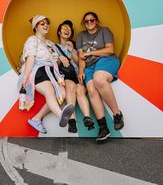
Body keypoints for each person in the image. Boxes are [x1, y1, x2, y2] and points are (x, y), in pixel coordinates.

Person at [17, 14, 74, 134]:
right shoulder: (32, 40)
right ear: (35, 27)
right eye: (42, 23)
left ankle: (36, 119)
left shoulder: (50, 43)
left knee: (62, 93)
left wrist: (64, 57)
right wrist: (25, 77)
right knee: (50, 92)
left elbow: (56, 61)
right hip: (38, 70)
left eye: (47, 23)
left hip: (52, 72)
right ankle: (62, 116)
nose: (46, 25)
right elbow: (30, 59)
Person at [76, 12, 124, 142]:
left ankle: (117, 114)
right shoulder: (81, 36)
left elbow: (110, 50)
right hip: (89, 66)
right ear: (84, 23)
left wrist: (91, 52)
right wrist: (81, 71)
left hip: (106, 60)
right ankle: (103, 127)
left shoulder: (104, 31)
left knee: (98, 79)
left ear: (96, 21)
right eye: (86, 21)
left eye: (92, 20)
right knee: (91, 89)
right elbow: (81, 57)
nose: (89, 22)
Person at [55, 20, 95, 133]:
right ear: (59, 31)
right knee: (71, 87)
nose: (67, 30)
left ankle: (87, 118)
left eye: (69, 29)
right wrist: (60, 58)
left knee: (80, 91)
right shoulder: (54, 47)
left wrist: (72, 50)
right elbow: (54, 64)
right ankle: (72, 121)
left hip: (77, 75)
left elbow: (79, 63)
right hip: (65, 76)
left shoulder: (76, 46)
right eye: (64, 28)